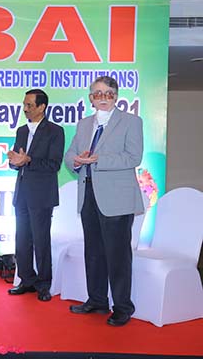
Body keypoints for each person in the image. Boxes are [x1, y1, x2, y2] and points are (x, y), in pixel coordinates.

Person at [64, 75, 144, 327]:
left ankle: (122, 307)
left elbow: (133, 157)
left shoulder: (131, 121)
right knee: (94, 252)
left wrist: (98, 159)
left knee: (118, 256)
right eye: (97, 93)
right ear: (91, 98)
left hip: (117, 198)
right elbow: (70, 154)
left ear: (116, 96)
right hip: (88, 194)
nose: (103, 98)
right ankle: (97, 300)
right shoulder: (84, 124)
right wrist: (77, 160)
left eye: (108, 93)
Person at [7, 89, 64, 302]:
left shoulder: (55, 131)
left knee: (41, 240)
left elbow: (54, 164)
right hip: (22, 192)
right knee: (22, 240)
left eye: (29, 105)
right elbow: (17, 161)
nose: (25, 109)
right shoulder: (21, 131)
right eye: (24, 104)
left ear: (42, 107)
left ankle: (44, 284)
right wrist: (14, 161)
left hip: (41, 194)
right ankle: (26, 280)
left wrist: (28, 160)